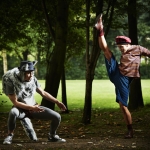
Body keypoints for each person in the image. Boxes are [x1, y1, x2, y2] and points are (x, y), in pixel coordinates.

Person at [95, 15, 150, 139]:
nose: (120, 49)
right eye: (118, 47)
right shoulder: (123, 52)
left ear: (128, 44)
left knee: (123, 105)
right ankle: (100, 30)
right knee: (107, 51)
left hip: (125, 79)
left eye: (122, 47)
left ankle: (130, 130)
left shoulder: (138, 49)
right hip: (117, 72)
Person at [2, 61, 67, 144]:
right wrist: (32, 108)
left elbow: (43, 93)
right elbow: (15, 102)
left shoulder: (33, 79)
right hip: (20, 109)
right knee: (13, 112)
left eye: (32, 72)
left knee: (57, 116)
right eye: (28, 73)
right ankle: (9, 136)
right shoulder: (10, 80)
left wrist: (57, 102)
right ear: (22, 73)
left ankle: (52, 136)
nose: (31, 75)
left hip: (33, 108)